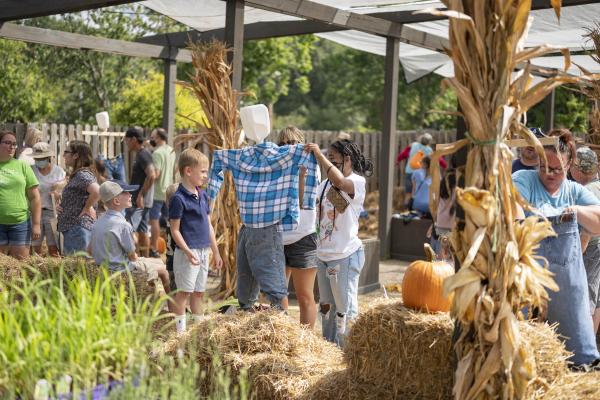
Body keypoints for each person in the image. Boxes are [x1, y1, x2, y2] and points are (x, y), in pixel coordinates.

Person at [513, 129, 600, 370]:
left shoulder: (574, 191)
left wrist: (575, 211)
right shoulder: (524, 179)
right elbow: (515, 211)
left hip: (564, 288)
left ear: (569, 164)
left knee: (574, 355)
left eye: (556, 169)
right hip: (527, 277)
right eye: (543, 166)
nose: (548, 174)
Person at [304, 139, 373, 346]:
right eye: (329, 160)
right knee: (326, 307)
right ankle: (329, 349)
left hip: (344, 256)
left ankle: (349, 351)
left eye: (334, 160)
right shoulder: (323, 185)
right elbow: (305, 203)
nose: (329, 165)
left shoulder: (356, 182)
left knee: (346, 308)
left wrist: (320, 156)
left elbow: (341, 183)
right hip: (324, 255)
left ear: (347, 159)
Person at [169, 149, 222, 333]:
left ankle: (198, 331)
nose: (206, 176)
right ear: (188, 171)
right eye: (203, 171)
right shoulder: (178, 198)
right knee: (184, 293)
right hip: (187, 253)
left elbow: (208, 225)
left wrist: (215, 251)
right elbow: (174, 230)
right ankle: (180, 334)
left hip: (203, 251)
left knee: (199, 292)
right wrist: (187, 251)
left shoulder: (203, 196)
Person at [90, 180, 170, 293]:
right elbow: (133, 257)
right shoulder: (123, 225)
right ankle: (175, 308)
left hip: (105, 269)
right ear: (116, 201)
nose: (130, 195)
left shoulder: (97, 223)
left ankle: (153, 296)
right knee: (164, 270)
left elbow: (89, 251)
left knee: (158, 261)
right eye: (126, 192)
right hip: (122, 271)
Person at [279, 127, 319, 328]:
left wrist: (301, 177)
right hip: (277, 236)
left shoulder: (311, 165)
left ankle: (307, 342)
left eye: (292, 142)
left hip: (303, 236)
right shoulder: (276, 167)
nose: (288, 147)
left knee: (304, 295)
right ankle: (284, 336)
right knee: (277, 294)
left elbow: (303, 200)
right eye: (283, 143)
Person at [569, 146, 600, 334]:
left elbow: (586, 233)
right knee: (596, 300)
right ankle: (591, 349)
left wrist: (574, 258)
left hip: (590, 250)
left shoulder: (586, 192)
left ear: (577, 169)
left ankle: (584, 350)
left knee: (585, 298)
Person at [0, 130, 41, 259]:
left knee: (20, 267)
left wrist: (36, 224)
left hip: (20, 224)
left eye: (14, 144)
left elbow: (35, 197)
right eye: (7, 143)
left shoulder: (22, 166)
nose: (12, 146)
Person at [57, 140, 100, 255]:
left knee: (78, 268)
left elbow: (97, 191)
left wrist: (87, 207)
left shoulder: (82, 174)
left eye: (66, 152)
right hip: (74, 229)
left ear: (76, 155)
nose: (63, 155)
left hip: (77, 229)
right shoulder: (79, 174)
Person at [124, 127, 156, 257]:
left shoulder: (143, 154)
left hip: (140, 200)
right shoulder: (142, 154)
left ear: (133, 139)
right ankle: (145, 259)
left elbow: (152, 175)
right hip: (142, 200)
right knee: (142, 230)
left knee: (128, 228)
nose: (126, 143)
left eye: (127, 140)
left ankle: (134, 258)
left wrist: (141, 195)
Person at [31, 142, 66, 257]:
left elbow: (65, 191)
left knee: (53, 247)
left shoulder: (58, 171)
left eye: (42, 158)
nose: (39, 161)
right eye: (37, 158)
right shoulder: (31, 170)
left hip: (52, 212)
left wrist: (58, 192)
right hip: (35, 212)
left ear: (49, 157)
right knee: (35, 247)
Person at [149, 128, 176, 258]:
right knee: (171, 221)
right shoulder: (171, 151)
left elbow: (156, 174)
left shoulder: (157, 153)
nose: (151, 139)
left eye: (153, 137)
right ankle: (171, 247)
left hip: (157, 192)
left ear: (159, 138)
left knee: (153, 220)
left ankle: (153, 248)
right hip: (169, 190)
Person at [396, 133, 435, 207]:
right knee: (417, 192)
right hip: (420, 174)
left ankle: (407, 208)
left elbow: (403, 154)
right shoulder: (429, 150)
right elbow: (435, 160)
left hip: (409, 171)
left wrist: (398, 160)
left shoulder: (413, 145)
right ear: (429, 142)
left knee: (408, 192)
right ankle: (416, 208)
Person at [431, 168, 456, 255]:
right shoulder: (456, 189)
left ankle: (439, 264)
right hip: (451, 223)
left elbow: (435, 203)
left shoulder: (441, 187)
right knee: (449, 249)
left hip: (441, 221)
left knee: (441, 247)